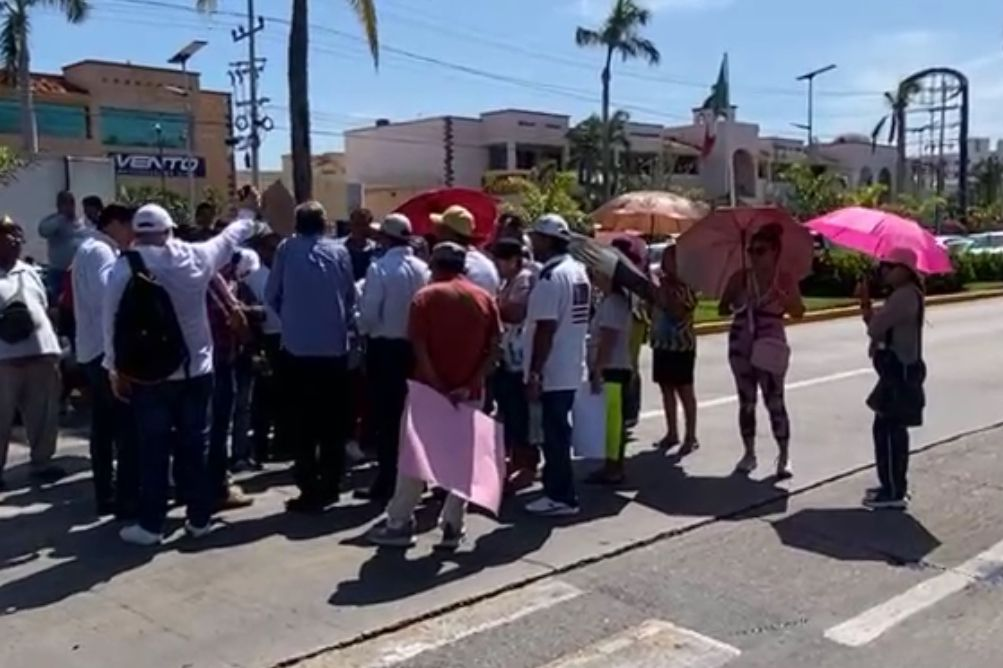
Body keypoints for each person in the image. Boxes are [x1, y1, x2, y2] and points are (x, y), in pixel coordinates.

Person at [104, 204, 256, 545]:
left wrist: (114, 369)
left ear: (136, 232)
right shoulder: (198, 257)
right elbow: (231, 236)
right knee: (196, 448)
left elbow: (110, 320)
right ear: (170, 229)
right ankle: (199, 519)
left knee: (153, 451)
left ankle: (151, 525)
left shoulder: (124, 267)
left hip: (149, 376)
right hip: (198, 371)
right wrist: (247, 214)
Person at [367, 242, 501, 550]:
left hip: (429, 391)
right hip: (470, 393)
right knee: (462, 461)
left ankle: (400, 522)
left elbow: (419, 346)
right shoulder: (483, 297)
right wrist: (470, 382)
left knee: (414, 459)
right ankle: (453, 525)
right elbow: (495, 347)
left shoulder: (425, 297)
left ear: (435, 265)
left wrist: (437, 384)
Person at [266, 201, 356, 513]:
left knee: (302, 422)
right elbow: (350, 297)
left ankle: (308, 488)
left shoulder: (286, 250)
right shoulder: (339, 252)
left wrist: (294, 321)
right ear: (324, 224)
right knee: (333, 422)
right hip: (334, 350)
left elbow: (271, 295)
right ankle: (330, 485)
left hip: (297, 350)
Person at [718, 223, 805, 480]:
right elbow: (723, 308)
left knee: (774, 400)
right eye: (751, 250)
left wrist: (783, 297)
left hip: (770, 343)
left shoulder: (785, 278)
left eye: (761, 251)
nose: (755, 256)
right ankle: (749, 452)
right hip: (741, 342)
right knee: (747, 402)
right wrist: (737, 301)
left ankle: (784, 454)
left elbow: (799, 312)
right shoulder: (741, 278)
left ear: (775, 252)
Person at [355, 213, 429, 501]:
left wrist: (359, 324)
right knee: (411, 418)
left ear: (385, 238)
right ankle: (415, 479)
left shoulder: (380, 268)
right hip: (413, 349)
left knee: (387, 420)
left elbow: (370, 314)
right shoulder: (423, 268)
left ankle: (388, 482)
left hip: (385, 349)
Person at [71, 203, 139, 517]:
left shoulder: (89, 248)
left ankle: (107, 492)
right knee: (121, 428)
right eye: (130, 227)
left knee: (104, 427)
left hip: (93, 348)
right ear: (114, 223)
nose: (132, 235)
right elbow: (107, 296)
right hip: (103, 351)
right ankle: (119, 495)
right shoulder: (100, 252)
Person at [523, 214, 591, 517]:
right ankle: (557, 489)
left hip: (553, 368)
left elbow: (545, 329)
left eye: (535, 237)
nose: (532, 243)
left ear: (547, 241)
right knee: (558, 431)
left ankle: (561, 496)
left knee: (554, 434)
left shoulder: (551, 279)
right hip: (570, 362)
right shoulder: (578, 271)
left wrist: (535, 372)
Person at [860, 248, 926, 510]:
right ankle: (891, 484)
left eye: (889, 266)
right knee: (888, 428)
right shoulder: (904, 295)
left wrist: (865, 303)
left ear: (904, 270)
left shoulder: (905, 296)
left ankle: (894, 491)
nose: (884, 271)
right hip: (899, 368)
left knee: (888, 430)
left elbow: (876, 327)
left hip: (900, 370)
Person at [0, 217, 63, 489]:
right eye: (7, 236)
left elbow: (45, 304)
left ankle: (42, 463)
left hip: (41, 355)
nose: (14, 241)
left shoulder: (30, 271)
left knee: (44, 415)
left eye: (17, 236)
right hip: (4, 361)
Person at [492, 238, 540, 490]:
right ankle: (516, 461)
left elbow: (516, 311)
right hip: (509, 355)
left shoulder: (524, 279)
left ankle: (527, 466)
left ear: (513, 259)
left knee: (521, 416)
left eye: (500, 260)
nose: (497, 265)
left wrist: (492, 306)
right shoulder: (509, 280)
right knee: (510, 414)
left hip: (520, 358)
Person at [584, 268, 634, 485]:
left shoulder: (614, 303)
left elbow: (608, 340)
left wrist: (598, 370)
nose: (593, 278)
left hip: (612, 368)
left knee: (612, 422)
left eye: (596, 274)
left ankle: (614, 468)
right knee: (610, 421)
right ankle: (611, 465)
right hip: (613, 367)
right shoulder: (610, 301)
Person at [650, 242, 699, 454]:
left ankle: (691, 435)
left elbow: (679, 311)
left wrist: (666, 292)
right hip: (662, 342)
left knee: (684, 390)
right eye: (665, 258)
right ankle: (672, 432)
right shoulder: (660, 283)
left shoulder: (686, 286)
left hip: (681, 345)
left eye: (671, 259)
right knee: (666, 388)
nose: (666, 263)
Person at [244, 232, 286, 464]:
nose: (274, 253)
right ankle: (258, 446)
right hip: (265, 339)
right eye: (270, 249)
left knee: (284, 395)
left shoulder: (287, 272)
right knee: (262, 397)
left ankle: (282, 443)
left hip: (287, 338)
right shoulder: (254, 276)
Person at [432, 205, 500, 295]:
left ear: (448, 233)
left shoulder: (450, 266)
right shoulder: (487, 263)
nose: (436, 233)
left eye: (440, 229)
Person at [38, 190, 87, 301]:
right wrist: (61, 217)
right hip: (59, 272)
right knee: (56, 303)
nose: (68, 206)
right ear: (58, 205)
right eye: (64, 203)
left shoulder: (81, 222)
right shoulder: (53, 221)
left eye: (71, 203)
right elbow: (43, 231)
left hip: (78, 272)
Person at [344, 208, 378, 282]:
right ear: (350, 225)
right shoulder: (341, 249)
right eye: (356, 224)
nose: (360, 228)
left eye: (364, 225)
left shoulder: (376, 250)